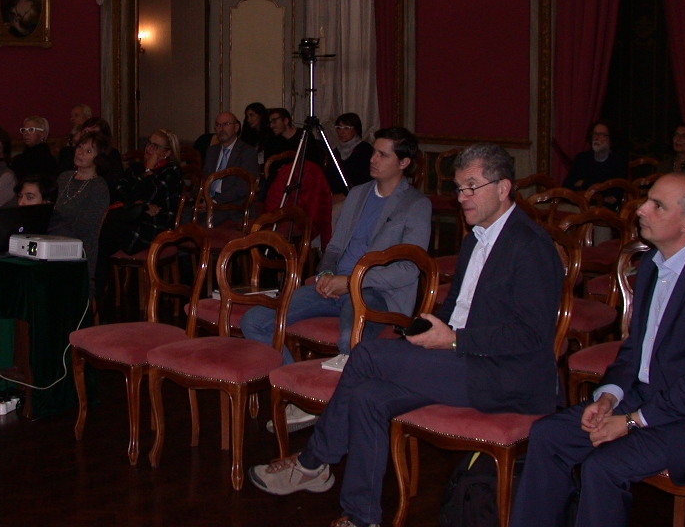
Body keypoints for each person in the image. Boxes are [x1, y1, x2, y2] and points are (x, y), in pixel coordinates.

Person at [249, 143, 565, 527]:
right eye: (459, 189)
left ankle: (313, 462)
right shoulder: (476, 238)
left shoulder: (531, 247)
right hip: (463, 358)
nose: (462, 197)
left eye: (471, 187)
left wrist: (451, 341)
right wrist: (430, 331)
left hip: (506, 376)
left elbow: (530, 336)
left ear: (503, 188)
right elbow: (457, 310)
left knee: (366, 356)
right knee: (367, 396)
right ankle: (361, 516)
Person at [511, 172, 685, 527]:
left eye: (657, 205)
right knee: (549, 435)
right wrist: (609, 398)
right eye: (647, 199)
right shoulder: (654, 266)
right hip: (650, 396)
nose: (641, 209)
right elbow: (635, 352)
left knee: (604, 466)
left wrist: (630, 422)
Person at [242, 127, 433, 433]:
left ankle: (333, 409)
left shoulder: (415, 205)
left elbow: (408, 269)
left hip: (375, 293)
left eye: (383, 154)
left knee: (349, 341)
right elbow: (333, 248)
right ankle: (305, 396)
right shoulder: (358, 194)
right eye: (374, 151)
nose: (373, 159)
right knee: (256, 319)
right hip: (334, 286)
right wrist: (327, 273)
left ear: (404, 163)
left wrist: (351, 280)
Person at [97, 129, 184, 303]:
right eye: (148, 143)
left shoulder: (172, 172)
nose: (149, 149)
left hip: (156, 225)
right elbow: (119, 192)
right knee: (103, 233)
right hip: (132, 219)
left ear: (167, 153)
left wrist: (149, 170)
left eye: (156, 146)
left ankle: (98, 293)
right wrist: (142, 204)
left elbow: (151, 196)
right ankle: (98, 291)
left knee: (105, 235)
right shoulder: (136, 167)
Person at [48, 131, 111, 291]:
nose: (80, 152)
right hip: (52, 239)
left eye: (88, 151)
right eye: (80, 147)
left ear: (98, 159)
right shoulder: (64, 177)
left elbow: (86, 227)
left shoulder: (98, 186)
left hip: (79, 247)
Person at [203, 112, 260, 226]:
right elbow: (204, 177)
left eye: (226, 124)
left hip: (232, 206)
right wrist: (201, 197)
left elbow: (242, 187)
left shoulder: (247, 152)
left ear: (236, 127)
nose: (221, 129)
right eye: (218, 125)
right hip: (209, 201)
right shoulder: (212, 151)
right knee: (180, 216)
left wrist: (214, 202)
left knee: (199, 223)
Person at [562, 119, 628, 207]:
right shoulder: (582, 158)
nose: (596, 138)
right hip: (577, 205)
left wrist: (584, 183)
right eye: (594, 134)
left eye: (601, 135)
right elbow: (567, 187)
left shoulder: (618, 161)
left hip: (603, 210)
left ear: (610, 139)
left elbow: (614, 196)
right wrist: (599, 189)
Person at [325, 113, 373, 198]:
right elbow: (329, 177)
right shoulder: (335, 152)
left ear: (356, 129)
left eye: (346, 128)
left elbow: (365, 179)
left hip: (356, 195)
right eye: (338, 128)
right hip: (334, 196)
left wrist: (344, 194)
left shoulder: (365, 149)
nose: (341, 132)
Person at [10, 115, 56, 182]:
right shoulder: (18, 159)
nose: (26, 133)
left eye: (31, 130)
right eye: (24, 130)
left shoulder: (47, 161)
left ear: (42, 134)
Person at [56, 104, 93, 173]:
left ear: (87, 117)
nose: (72, 119)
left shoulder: (93, 140)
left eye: (76, 115)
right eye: (71, 116)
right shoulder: (63, 141)